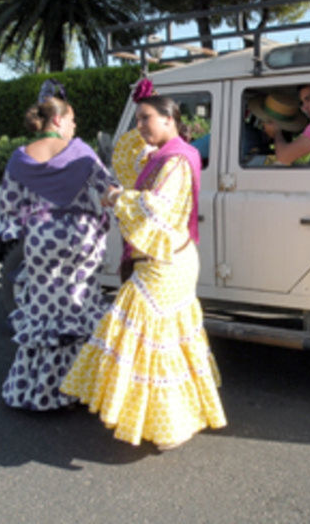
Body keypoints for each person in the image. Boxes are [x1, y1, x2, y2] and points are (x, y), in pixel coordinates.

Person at [60, 82, 226, 450]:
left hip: (165, 265)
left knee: (146, 340)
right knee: (160, 343)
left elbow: (156, 207)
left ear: (169, 119)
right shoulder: (168, 154)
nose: (140, 126)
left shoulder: (176, 159)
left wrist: (118, 197)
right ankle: (167, 420)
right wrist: (139, 105)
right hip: (171, 259)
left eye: (146, 118)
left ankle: (166, 425)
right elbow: (125, 157)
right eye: (137, 119)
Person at [0, 88, 114, 411]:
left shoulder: (20, 157)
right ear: (58, 119)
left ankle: (38, 391)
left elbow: (10, 206)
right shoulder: (80, 151)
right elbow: (107, 190)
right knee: (79, 304)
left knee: (44, 309)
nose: (74, 127)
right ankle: (78, 388)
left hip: (42, 239)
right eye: (72, 120)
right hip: (82, 239)